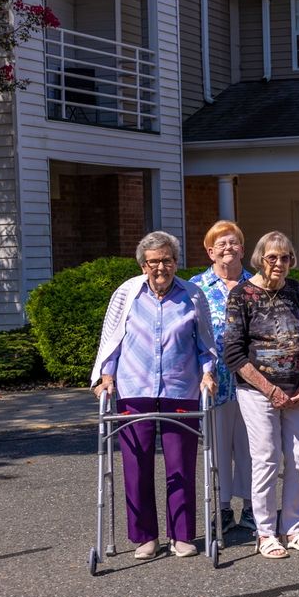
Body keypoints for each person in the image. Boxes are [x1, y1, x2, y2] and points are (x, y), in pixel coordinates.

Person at [91, 231, 217, 560]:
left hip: (180, 387)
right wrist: (105, 376)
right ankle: (144, 536)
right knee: (136, 464)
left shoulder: (193, 295)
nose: (160, 267)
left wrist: (208, 373)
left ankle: (182, 535)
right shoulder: (127, 293)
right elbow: (112, 339)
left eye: (167, 260)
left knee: (180, 464)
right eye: (153, 262)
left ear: (176, 262)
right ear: (143, 265)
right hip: (134, 386)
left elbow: (206, 343)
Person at [226, 231, 299, 559]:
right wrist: (270, 390)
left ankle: (293, 527)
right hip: (258, 393)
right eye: (272, 258)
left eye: (285, 258)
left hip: (298, 390)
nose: (279, 264)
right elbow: (234, 354)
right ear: (260, 259)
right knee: (266, 460)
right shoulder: (242, 294)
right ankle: (265, 532)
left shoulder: (295, 290)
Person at [189, 220, 255, 535]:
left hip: (252, 381)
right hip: (213, 381)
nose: (228, 248)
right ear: (210, 251)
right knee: (217, 447)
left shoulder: (256, 284)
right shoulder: (195, 287)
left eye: (233, 242)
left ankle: (253, 508)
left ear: (242, 248)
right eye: (221, 243)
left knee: (252, 447)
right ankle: (224, 508)